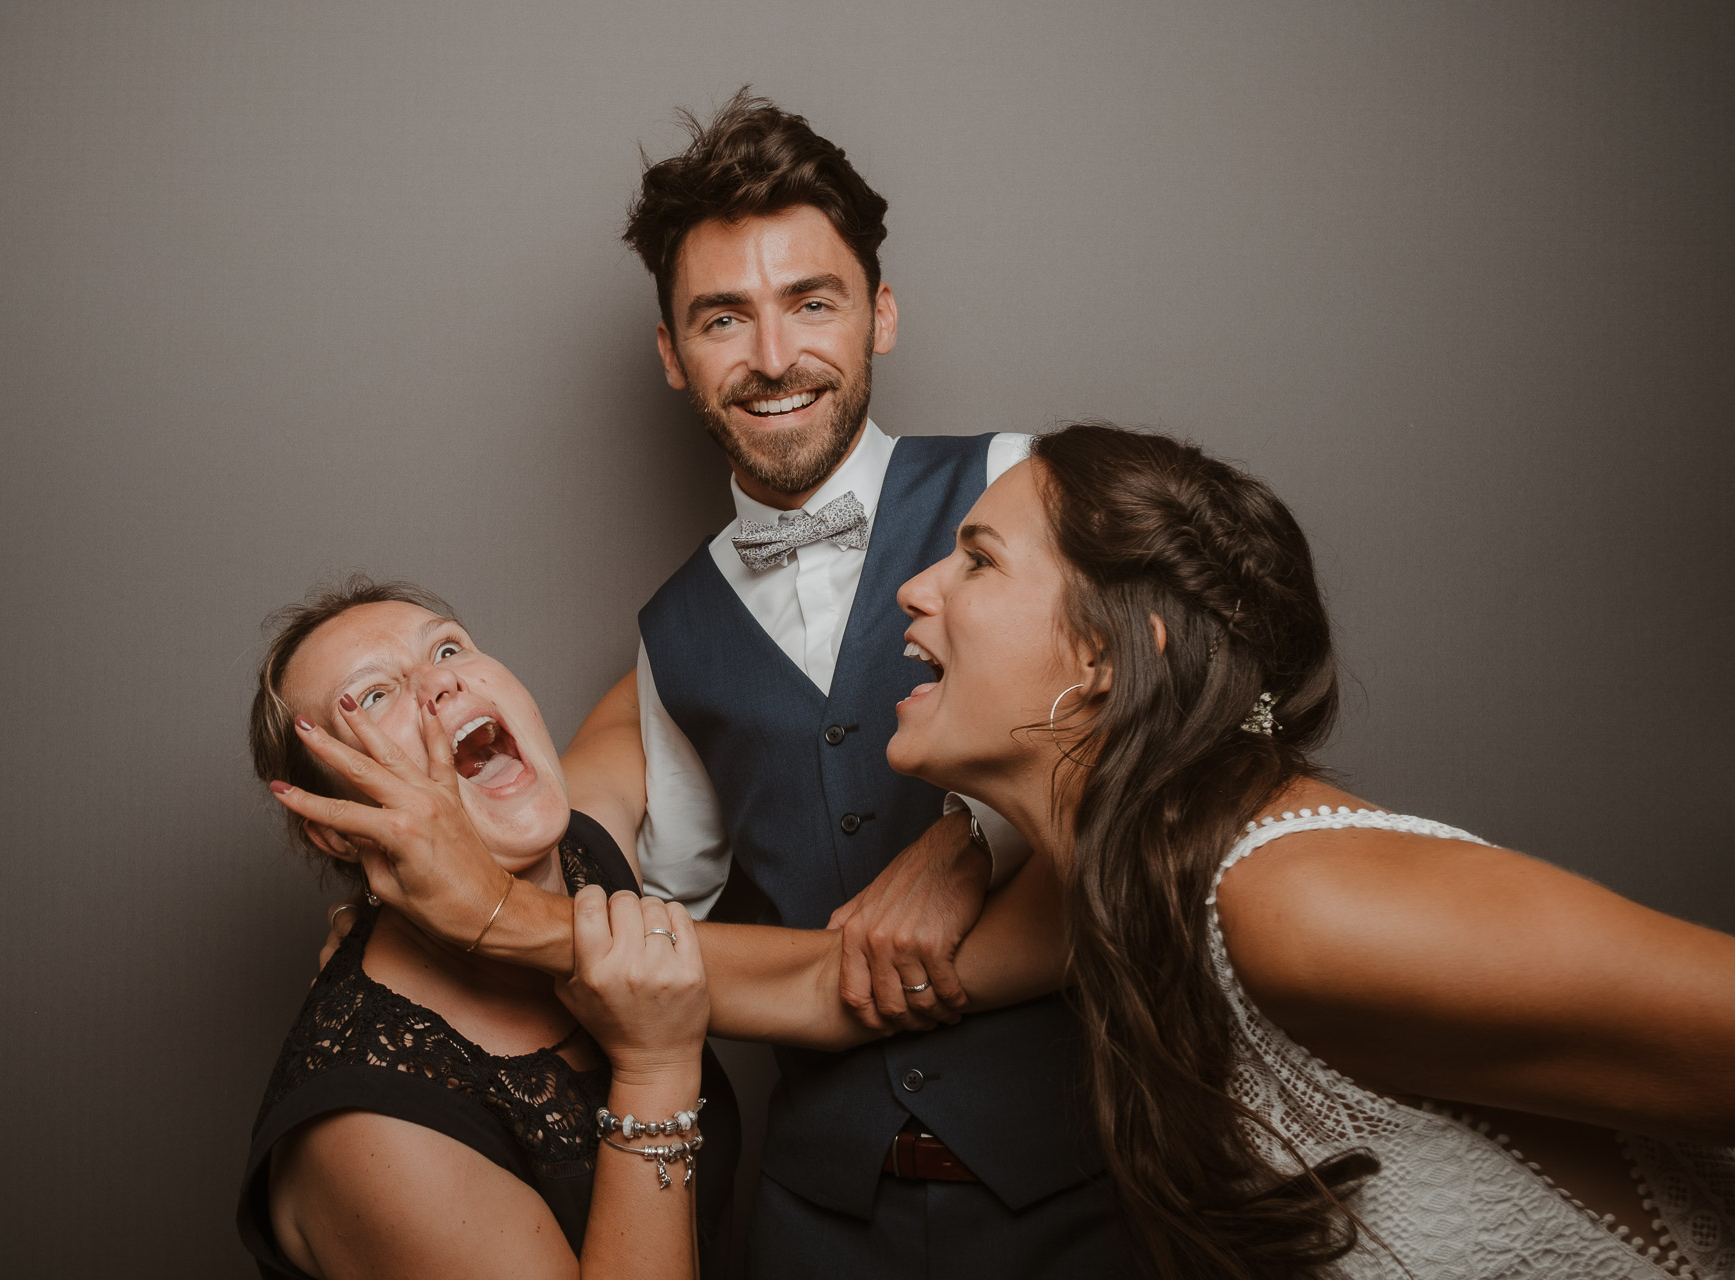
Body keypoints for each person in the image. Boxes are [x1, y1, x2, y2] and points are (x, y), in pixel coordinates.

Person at [279, 423, 1735, 1279]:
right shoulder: (1138, 892)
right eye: (376, 697)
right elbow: (821, 984)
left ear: (1113, 654)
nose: (909, 590)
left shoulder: (1300, 900)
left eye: (976, 560)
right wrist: (468, 908)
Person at [601, 88, 1130, 1278]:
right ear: (672, 356)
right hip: (817, 1226)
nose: (774, 356)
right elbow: (666, 921)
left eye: (812, 302)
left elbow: (1171, 726)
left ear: (879, 315)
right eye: (722, 318)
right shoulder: (666, 632)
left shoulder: (1020, 484)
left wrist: (971, 836)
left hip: (1086, 1192)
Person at [236, 579, 742, 1280]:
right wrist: (656, 1072)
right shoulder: (370, 1136)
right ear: (337, 832)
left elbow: (830, 982)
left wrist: (953, 828)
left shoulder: (583, 854)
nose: (437, 682)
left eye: (447, 647)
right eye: (372, 697)